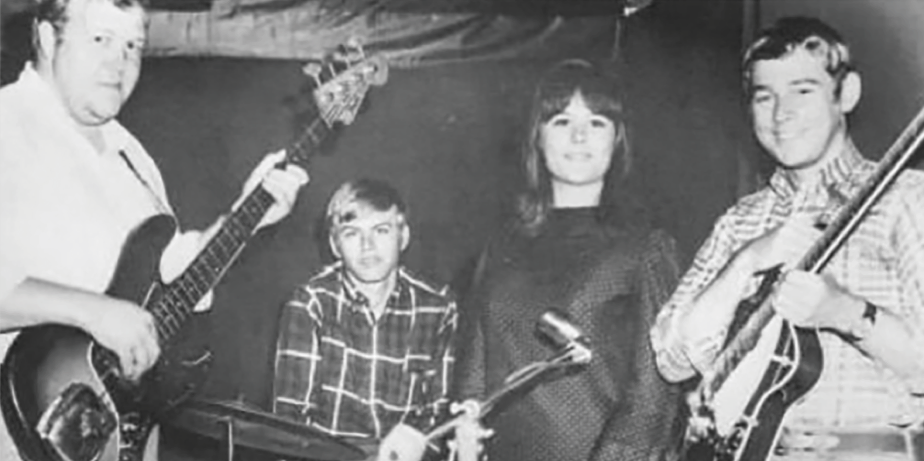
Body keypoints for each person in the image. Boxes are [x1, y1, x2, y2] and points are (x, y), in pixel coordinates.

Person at [0, 0, 309, 460]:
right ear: (48, 38)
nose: (119, 62)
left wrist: (245, 218)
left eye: (133, 46)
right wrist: (94, 313)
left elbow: (168, 279)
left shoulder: (134, 159)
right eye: (101, 39)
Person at [650, 16, 924, 461]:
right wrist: (747, 260)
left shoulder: (906, 198)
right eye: (765, 96)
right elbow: (672, 358)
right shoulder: (740, 221)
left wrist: (846, 313)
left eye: (803, 90)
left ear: (846, 94)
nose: (782, 113)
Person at [453, 59, 686, 461]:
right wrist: (465, 426)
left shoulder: (645, 247)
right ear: (538, 138)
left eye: (596, 122)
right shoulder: (502, 244)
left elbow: (653, 398)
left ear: (617, 139)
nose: (579, 136)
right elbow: (475, 364)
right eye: (561, 121)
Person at [272, 178, 462, 461]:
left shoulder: (439, 307)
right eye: (351, 233)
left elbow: (440, 418)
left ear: (403, 237)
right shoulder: (310, 303)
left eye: (381, 230)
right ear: (335, 245)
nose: (367, 246)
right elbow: (291, 426)